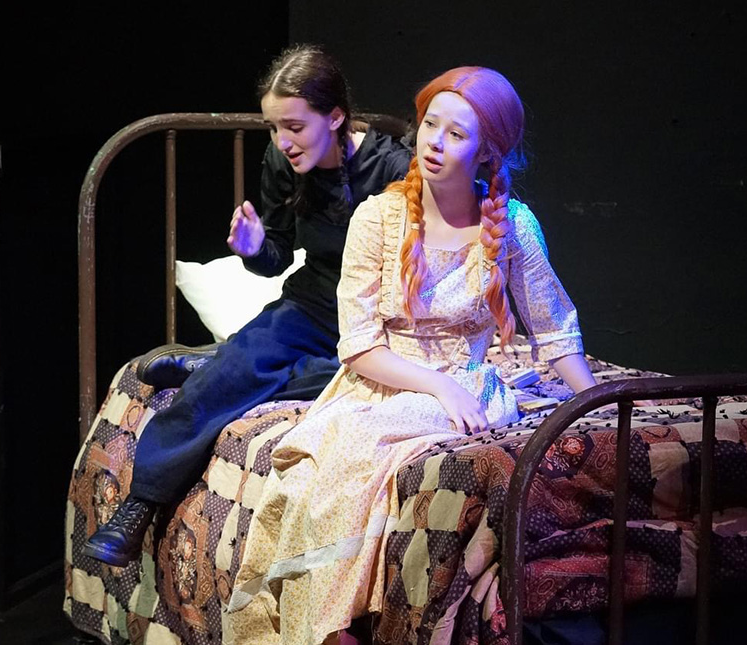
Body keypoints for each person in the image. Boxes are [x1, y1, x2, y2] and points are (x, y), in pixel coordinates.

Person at [225, 66, 597, 644]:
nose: (434, 141)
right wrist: (439, 386)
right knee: (326, 468)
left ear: (485, 152)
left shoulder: (513, 224)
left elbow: (555, 331)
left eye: (456, 133)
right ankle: (325, 624)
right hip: (380, 381)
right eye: (429, 125)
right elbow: (359, 345)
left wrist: (596, 402)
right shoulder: (376, 218)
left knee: (357, 461)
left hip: (465, 383)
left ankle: (336, 624)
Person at [81, 45, 413, 567]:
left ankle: (214, 360)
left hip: (381, 317)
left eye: (295, 127)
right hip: (314, 306)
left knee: (343, 381)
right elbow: (277, 259)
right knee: (233, 377)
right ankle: (140, 503)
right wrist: (258, 248)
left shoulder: (393, 167)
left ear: (335, 116)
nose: (283, 141)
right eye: (273, 127)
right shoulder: (282, 162)